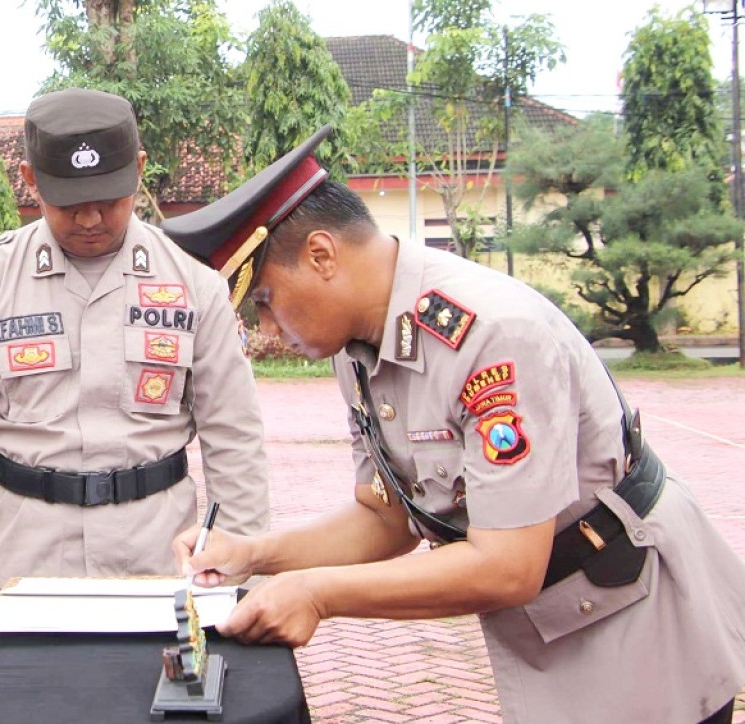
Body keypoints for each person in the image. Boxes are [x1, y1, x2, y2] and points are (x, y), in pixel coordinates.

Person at [164, 127, 745, 723]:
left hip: (636, 614)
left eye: (263, 299)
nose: (265, 328)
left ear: (321, 255)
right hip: (556, 613)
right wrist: (256, 556)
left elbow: (506, 565)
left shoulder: (491, 336)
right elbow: (385, 516)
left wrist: (318, 593)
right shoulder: (356, 347)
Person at [0, 88, 270, 609]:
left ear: (140, 168)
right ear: (30, 180)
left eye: (108, 200)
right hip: (27, 562)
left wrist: (244, 578)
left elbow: (234, 437)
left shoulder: (193, 283)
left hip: (159, 560)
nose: (89, 220)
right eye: (68, 203)